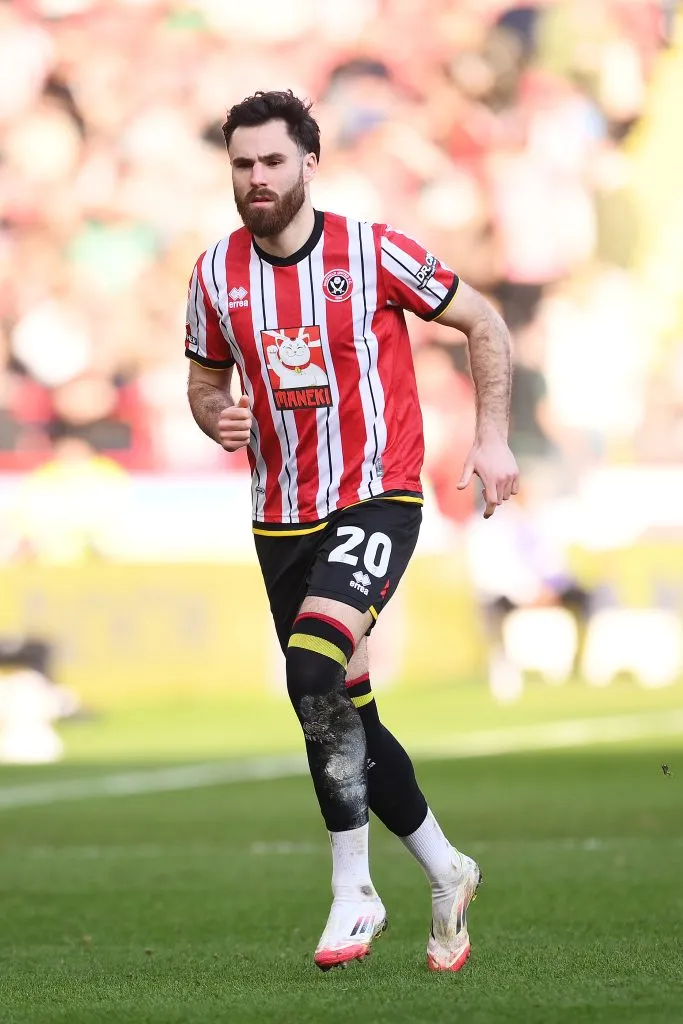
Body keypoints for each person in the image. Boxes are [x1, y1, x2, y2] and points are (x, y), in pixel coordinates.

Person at [185, 90, 519, 973]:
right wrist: (214, 414)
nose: (256, 179)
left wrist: (490, 436)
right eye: (242, 165)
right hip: (278, 515)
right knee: (337, 707)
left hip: (375, 496)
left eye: (272, 162)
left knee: (309, 669)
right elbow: (204, 381)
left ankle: (353, 889)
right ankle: (447, 869)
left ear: (308, 164)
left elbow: (481, 319)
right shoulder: (215, 273)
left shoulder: (371, 252)